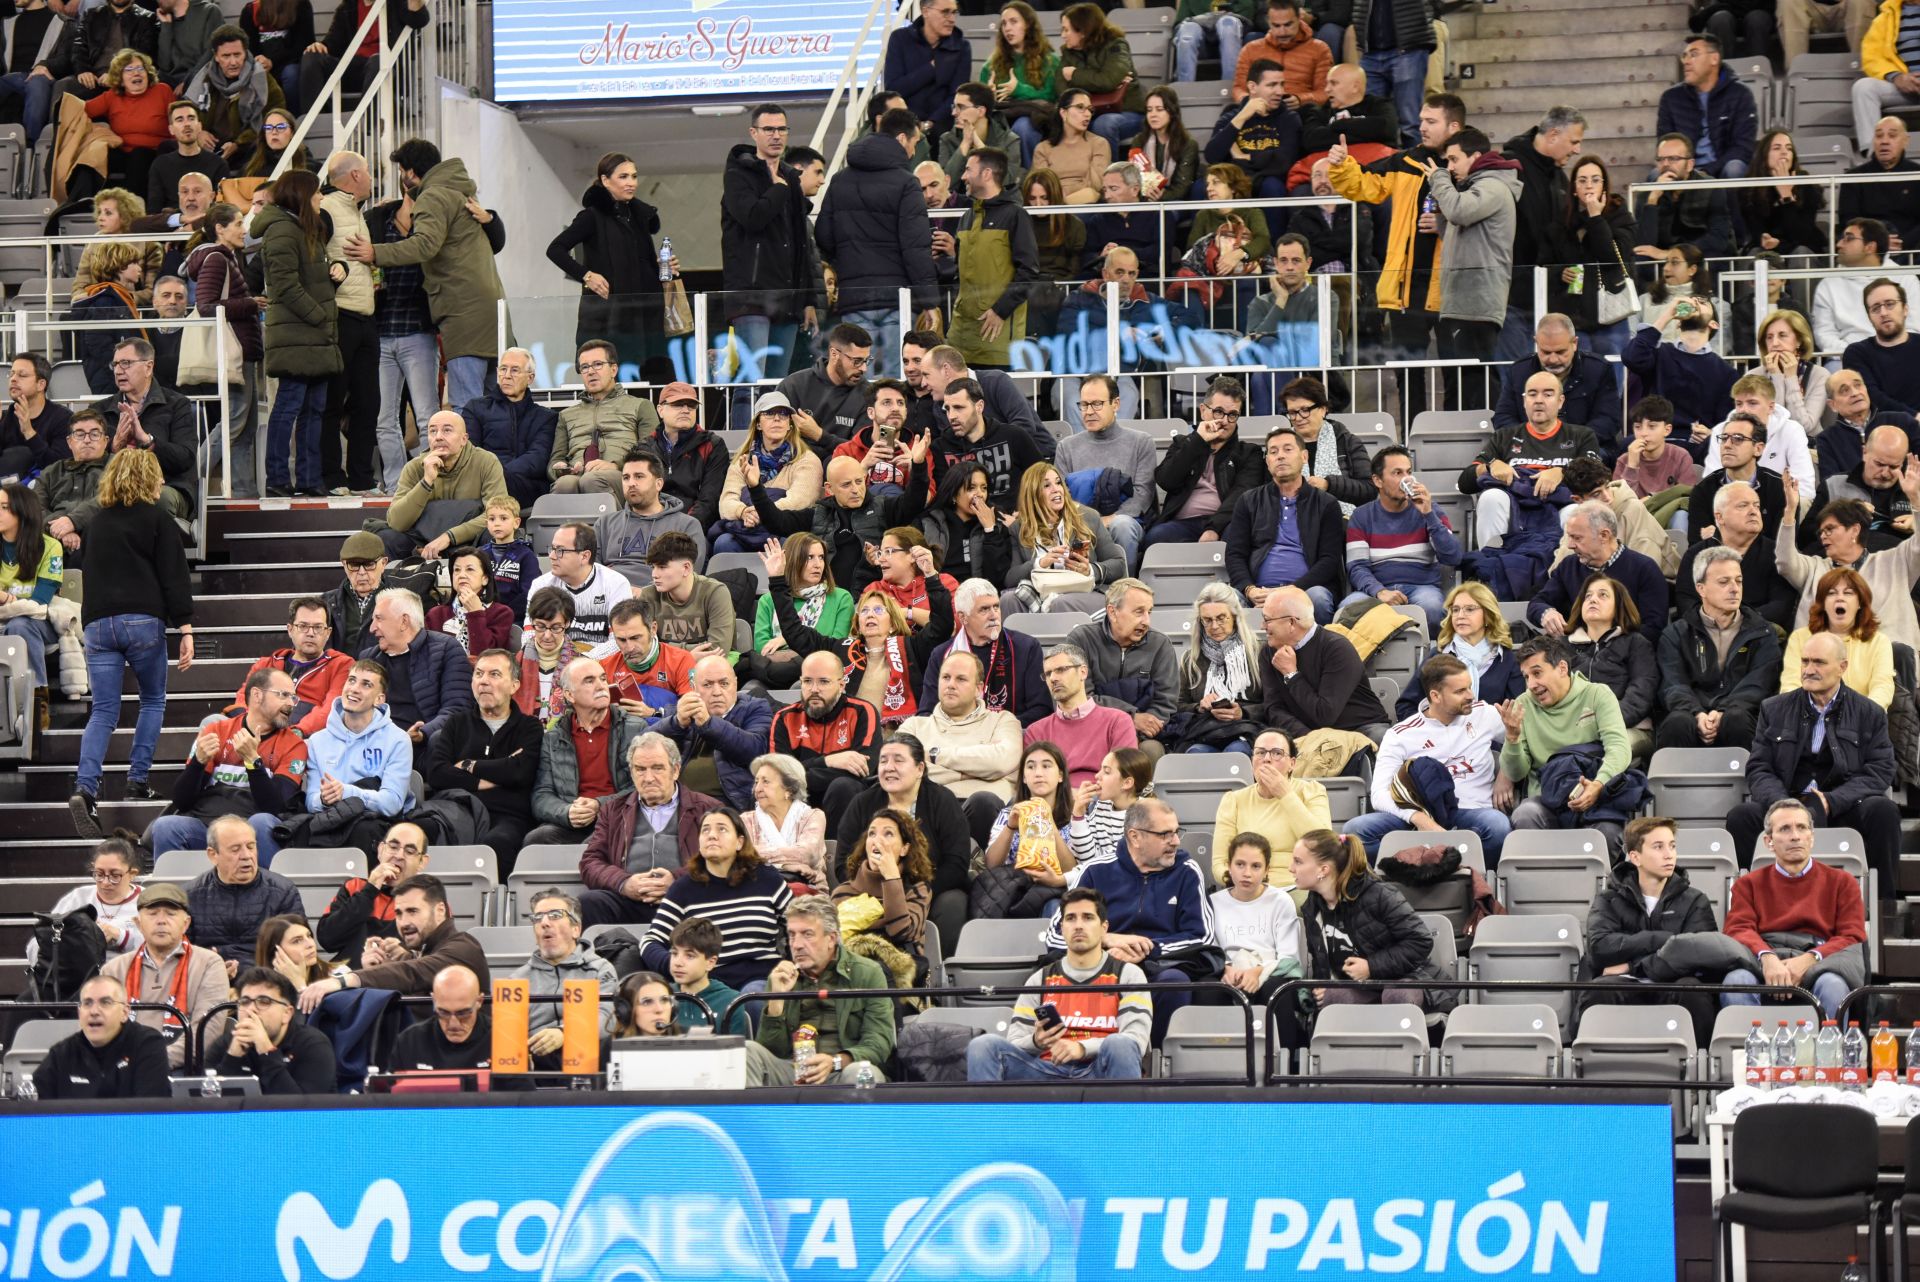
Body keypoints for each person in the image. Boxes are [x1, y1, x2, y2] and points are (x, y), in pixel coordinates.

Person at [68, 449, 192, 838]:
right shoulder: (158, 518)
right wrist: (185, 627)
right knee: (152, 700)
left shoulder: (97, 523)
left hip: (98, 624)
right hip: (143, 620)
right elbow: (174, 575)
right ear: (148, 479)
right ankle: (137, 779)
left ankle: (85, 789)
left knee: (103, 710)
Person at [341, 139, 511, 409]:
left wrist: (376, 253)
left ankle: (469, 455)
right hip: (490, 311)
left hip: (462, 313)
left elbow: (424, 245)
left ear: (410, 172)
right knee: (496, 406)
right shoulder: (460, 192)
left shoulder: (433, 196)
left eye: (401, 172)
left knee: (466, 408)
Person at [1327, 91, 1463, 420]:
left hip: (1454, 288)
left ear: (1454, 127)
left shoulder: (1469, 163)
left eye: (1431, 121)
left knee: (1458, 371)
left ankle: (1461, 433)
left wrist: (1446, 221)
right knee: (1407, 373)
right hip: (1405, 289)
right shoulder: (1404, 161)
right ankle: (1413, 439)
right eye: (1421, 121)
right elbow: (1364, 185)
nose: (1423, 127)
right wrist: (1342, 165)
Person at [1734, 632, 1901, 883]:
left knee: (1883, 811)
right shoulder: (1773, 709)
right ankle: (1751, 899)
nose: (1808, 670)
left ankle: (1882, 907)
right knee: (1742, 816)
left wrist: (1833, 801)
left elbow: (1880, 769)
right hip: (1788, 800)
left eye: (1819, 662)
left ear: (1842, 667)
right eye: (1805, 661)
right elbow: (1759, 767)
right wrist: (1783, 806)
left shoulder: (1870, 713)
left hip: (1842, 806)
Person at [1047, 797, 1217, 1042]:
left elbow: (1202, 936)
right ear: (1135, 837)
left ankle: (1153, 1061)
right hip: (1101, 964)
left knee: (1175, 982)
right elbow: (1055, 934)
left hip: (1158, 966)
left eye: (1176, 831)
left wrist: (1146, 947)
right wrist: (1105, 941)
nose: (1176, 841)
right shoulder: (1095, 871)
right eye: (1165, 834)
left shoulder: (1187, 871)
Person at [761, 535, 952, 730]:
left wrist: (930, 575)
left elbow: (942, 625)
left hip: (899, 738)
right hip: (850, 738)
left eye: (878, 610)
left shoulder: (913, 648)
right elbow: (795, 632)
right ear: (858, 623)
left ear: (894, 624)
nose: (870, 615)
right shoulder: (839, 649)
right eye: (865, 611)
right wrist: (777, 580)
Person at [1280, 829, 1448, 1049]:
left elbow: (1420, 941)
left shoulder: (1378, 894)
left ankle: (1401, 1066)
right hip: (1361, 987)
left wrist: (1372, 967)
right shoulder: (1312, 906)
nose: (1291, 868)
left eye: (1298, 861)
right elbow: (1322, 959)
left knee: (1396, 995)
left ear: (1323, 869)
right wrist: (1323, 987)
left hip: (1406, 979)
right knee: (1332, 998)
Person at [968, 885, 1152, 1080]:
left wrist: (1082, 1048)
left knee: (1120, 1045)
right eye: (1071, 918)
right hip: (1046, 1071)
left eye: (1088, 918)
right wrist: (1036, 1041)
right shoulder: (1040, 979)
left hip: (1099, 1072)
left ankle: (1121, 1111)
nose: (1079, 925)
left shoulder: (1128, 975)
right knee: (983, 1046)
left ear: (1104, 928)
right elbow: (1014, 1043)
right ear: (1062, 927)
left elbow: (1135, 1041)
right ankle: (987, 1112)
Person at [815, 107, 940, 379]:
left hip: (854, 296)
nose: (913, 151)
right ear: (902, 139)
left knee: (861, 377)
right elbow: (915, 247)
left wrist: (848, 260)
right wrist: (930, 300)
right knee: (895, 380)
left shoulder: (839, 180)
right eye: (915, 143)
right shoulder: (906, 183)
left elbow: (824, 235)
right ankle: (891, 424)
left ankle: (867, 422)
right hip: (897, 297)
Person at [1578, 815, 1727, 1043]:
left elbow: (1698, 956)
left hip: (1672, 982)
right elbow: (1600, 948)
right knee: (1600, 989)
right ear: (1635, 857)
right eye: (1658, 847)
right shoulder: (1608, 899)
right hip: (1624, 984)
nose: (1669, 854)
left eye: (1672, 846)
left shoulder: (1695, 900)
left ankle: (1699, 1068)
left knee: (1693, 990)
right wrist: (1662, 939)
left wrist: (1632, 966)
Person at [1346, 655, 1512, 859]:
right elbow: (1379, 794)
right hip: (1417, 815)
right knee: (1356, 830)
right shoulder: (1401, 734)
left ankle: (1448, 869)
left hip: (1471, 812)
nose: (1471, 695)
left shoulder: (1485, 715)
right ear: (1435, 696)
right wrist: (1419, 819)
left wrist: (1506, 775)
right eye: (1460, 691)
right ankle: (1422, 868)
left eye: (1469, 687)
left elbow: (1520, 740)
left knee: (1498, 825)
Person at [1720, 798, 1868, 1018]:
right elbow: (1738, 929)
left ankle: (1829, 1052)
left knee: (1833, 985)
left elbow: (1851, 935)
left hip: (1821, 961)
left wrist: (1809, 960)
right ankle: (1749, 1050)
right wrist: (1768, 959)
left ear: (1812, 837)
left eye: (1802, 827)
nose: (1795, 836)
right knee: (1736, 981)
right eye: (1785, 829)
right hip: (1764, 958)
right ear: (1769, 841)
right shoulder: (1748, 884)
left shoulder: (1842, 882)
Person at [145, 668, 304, 863]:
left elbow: (275, 808)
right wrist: (198, 763)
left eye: (293, 698)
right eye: (284, 695)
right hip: (208, 826)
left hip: (254, 829)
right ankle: (172, 895)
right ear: (257, 695)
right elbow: (182, 801)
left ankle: (264, 891)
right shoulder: (216, 731)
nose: (290, 704)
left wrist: (253, 763)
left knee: (262, 822)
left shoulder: (294, 745)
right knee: (166, 827)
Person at [1497, 636, 1635, 853]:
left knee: (1608, 834)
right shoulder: (1523, 704)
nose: (1531, 684)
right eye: (1526, 677)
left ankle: (1603, 887)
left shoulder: (1597, 694)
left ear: (1562, 668)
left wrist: (1598, 784)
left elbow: (1619, 748)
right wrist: (1512, 739)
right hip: (1546, 800)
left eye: (1537, 673)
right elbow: (1516, 773)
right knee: (1525, 814)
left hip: (1595, 796)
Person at [829, 732, 971, 941]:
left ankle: (939, 967)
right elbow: (843, 862)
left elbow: (957, 863)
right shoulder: (863, 802)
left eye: (898, 760)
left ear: (920, 769)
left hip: (928, 890)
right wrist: (879, 889)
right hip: (870, 892)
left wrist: (912, 893)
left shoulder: (941, 800)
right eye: (883, 760)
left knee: (954, 902)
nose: (889, 767)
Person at [575, 733, 723, 928]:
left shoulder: (708, 808)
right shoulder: (613, 810)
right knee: (589, 903)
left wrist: (678, 880)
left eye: (657, 768)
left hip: (687, 901)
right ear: (632, 772)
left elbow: (723, 859)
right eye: (640, 769)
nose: (648, 778)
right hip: (630, 902)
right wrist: (624, 883)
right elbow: (591, 862)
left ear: (676, 770)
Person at [743, 897, 895, 1086]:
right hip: (793, 1070)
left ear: (831, 938)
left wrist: (835, 1062)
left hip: (843, 1069)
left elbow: (879, 1042)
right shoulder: (782, 978)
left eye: (807, 934)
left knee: (863, 1073)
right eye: (791, 935)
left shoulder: (866, 972)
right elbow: (771, 1050)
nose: (796, 944)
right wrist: (776, 999)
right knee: (748, 1051)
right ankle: (758, 1117)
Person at [721, 106, 816, 409]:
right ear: (754, 133)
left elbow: (802, 244)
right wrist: (777, 190)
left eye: (782, 129)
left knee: (777, 387)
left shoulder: (790, 176)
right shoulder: (739, 174)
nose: (776, 136)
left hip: (788, 297)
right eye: (769, 129)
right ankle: (742, 447)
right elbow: (752, 218)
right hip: (751, 295)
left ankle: (772, 448)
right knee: (750, 382)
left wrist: (808, 298)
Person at [254, 168, 339, 499]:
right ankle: (277, 479)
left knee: (313, 410)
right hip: (298, 334)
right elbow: (286, 285)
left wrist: (339, 270)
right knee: (288, 408)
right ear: (303, 195)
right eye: (317, 192)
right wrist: (320, 316)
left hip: (313, 336)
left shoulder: (305, 229)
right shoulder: (282, 232)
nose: (321, 198)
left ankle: (309, 479)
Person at [544, 152, 666, 378]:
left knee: (651, 383)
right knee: (611, 381)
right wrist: (586, 274)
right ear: (605, 180)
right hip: (607, 319)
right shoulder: (592, 217)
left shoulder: (639, 217)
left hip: (644, 318)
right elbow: (555, 249)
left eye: (634, 176)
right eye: (623, 176)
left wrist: (661, 268)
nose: (631, 182)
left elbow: (637, 263)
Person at [297, 874, 490, 1012]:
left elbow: (413, 973)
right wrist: (380, 969)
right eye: (398, 913)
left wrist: (343, 981)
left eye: (413, 911)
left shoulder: (464, 947)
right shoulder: (425, 952)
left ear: (440, 911)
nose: (404, 922)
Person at [1656, 546, 1784, 751]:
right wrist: (1697, 714)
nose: (1734, 588)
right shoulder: (1676, 634)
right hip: (1691, 716)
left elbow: (1759, 684)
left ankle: (1752, 783)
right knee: (1678, 722)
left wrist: (1723, 712)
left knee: (1737, 720)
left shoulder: (1763, 632)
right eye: (1724, 582)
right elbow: (1673, 684)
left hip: (1740, 715)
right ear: (1701, 589)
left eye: (1738, 581)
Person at [423, 650, 542, 870]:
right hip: (458, 808)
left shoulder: (530, 727)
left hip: (507, 815)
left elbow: (520, 772)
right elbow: (437, 773)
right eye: (478, 674)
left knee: (496, 844)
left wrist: (469, 765)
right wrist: (483, 780)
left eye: (494, 674)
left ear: (514, 685)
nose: (484, 682)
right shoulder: (456, 723)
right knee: (422, 830)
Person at [1779, 463, 1920, 646]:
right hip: (1826, 661)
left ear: (1854, 531)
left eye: (1830, 529)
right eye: (1821, 531)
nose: (1823, 536)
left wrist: (1916, 502)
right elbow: (1785, 561)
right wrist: (1790, 512)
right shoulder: (1815, 567)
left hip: (1890, 661)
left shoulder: (1894, 561)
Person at [95, 879, 228, 1067]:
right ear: (138, 923)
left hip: (185, 1071)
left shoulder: (209, 964)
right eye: (153, 914)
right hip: (123, 1072)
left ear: (186, 923)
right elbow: (102, 1026)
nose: (161, 920)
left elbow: (208, 1031)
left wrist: (151, 1063)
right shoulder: (113, 969)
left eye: (171, 914)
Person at [897, 648, 1023, 844]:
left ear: (979, 688)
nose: (950, 685)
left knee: (983, 800)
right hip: (928, 814)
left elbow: (1000, 761)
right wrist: (976, 771)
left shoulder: (1003, 721)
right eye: (945, 677)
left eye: (961, 679)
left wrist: (933, 756)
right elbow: (899, 771)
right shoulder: (914, 726)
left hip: (983, 816)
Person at [1257, 586, 1390, 769]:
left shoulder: (1336, 648)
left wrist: (1291, 674)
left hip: (1359, 727)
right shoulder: (1268, 652)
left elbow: (1325, 714)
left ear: (1291, 623)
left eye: (1267, 620)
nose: (1262, 626)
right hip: (1305, 732)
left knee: (1385, 741)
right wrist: (1310, 738)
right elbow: (1273, 708)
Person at [1226, 427, 1346, 621]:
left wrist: (1292, 590)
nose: (1280, 456)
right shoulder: (1249, 501)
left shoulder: (1326, 503)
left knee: (1319, 598)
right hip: (1258, 592)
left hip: (1305, 591)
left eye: (1287, 449)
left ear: (1304, 456)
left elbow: (1329, 560)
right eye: (1273, 452)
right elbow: (1235, 554)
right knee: (1220, 600)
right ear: (1267, 462)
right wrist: (1249, 590)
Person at [1340, 445, 1461, 630]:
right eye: (1397, 473)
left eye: (1408, 472)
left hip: (1422, 586)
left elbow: (1453, 556)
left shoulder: (1431, 509)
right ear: (1378, 480)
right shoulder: (1361, 516)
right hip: (1376, 589)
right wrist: (1379, 591)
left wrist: (1428, 515)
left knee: (1433, 607)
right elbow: (1357, 567)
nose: (1406, 479)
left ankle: (1431, 658)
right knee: (1346, 611)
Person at [524, 656, 643, 846]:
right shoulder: (553, 737)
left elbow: (642, 788)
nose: (601, 686)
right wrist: (567, 812)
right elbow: (541, 795)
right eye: (589, 681)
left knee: (592, 845)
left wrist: (599, 805)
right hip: (573, 821)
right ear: (569, 695)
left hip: (617, 817)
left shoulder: (635, 728)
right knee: (536, 840)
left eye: (603, 679)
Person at [299, 659, 414, 847]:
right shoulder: (317, 741)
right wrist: (323, 798)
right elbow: (311, 801)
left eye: (366, 685)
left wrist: (346, 792)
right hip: (330, 818)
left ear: (379, 699)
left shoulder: (398, 739)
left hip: (373, 823)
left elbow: (392, 803)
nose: (354, 689)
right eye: (351, 680)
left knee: (365, 830)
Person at [944, 147, 1037, 371]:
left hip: (997, 336)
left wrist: (1000, 311)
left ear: (986, 174)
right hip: (961, 336)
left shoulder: (1016, 215)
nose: (963, 176)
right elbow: (960, 273)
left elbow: (1028, 272)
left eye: (968, 170)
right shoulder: (966, 217)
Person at [1529, 500, 1670, 645]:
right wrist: (1546, 613)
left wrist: (1608, 646)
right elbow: (1537, 603)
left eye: (1577, 538)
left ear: (1604, 535)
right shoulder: (1568, 566)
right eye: (1569, 537)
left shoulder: (1644, 568)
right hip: (1578, 656)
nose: (1570, 545)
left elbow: (1654, 628)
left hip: (1626, 659)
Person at [1065, 578, 1180, 753]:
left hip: (1141, 737)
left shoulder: (1161, 645)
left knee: (1151, 751)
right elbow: (1079, 698)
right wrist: (1129, 718)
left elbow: (1165, 703)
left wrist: (1133, 732)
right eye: (1139, 612)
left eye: (1149, 612)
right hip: (1089, 731)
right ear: (1112, 612)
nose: (1146, 621)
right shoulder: (1081, 640)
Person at [1149, 376, 1264, 549]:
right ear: (1203, 411)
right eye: (1218, 411)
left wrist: (1213, 529)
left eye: (1232, 414)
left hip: (1226, 523)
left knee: (1238, 537)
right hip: (1182, 524)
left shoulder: (1249, 453)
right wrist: (1197, 441)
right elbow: (1166, 480)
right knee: (1155, 538)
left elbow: (1241, 496)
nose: (1224, 421)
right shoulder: (1183, 444)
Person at [1208, 728, 1330, 891]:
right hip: (1247, 889)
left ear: (1292, 763)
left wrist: (1285, 794)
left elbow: (1323, 847)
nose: (1266, 759)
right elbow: (1219, 863)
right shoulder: (1234, 800)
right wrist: (1243, 882)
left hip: (1297, 886)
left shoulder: (1311, 791)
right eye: (1260, 753)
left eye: (1277, 753)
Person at [93, 336, 197, 518]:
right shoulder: (100, 410)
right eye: (115, 364)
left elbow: (184, 458)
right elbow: (88, 463)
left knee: (152, 499)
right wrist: (114, 447)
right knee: (97, 501)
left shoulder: (176, 404)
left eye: (125, 363)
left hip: (167, 485)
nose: (118, 371)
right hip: (114, 485)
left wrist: (147, 440)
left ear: (148, 367)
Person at [511, 888, 617, 1068]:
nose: (544, 923)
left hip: (587, 1061)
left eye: (554, 915)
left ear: (576, 929)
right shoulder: (518, 979)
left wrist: (566, 1033)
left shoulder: (600, 970)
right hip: (535, 1065)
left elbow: (608, 1019)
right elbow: (509, 1030)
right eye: (538, 917)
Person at [183, 812, 302, 970]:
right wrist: (211, 970)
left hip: (267, 981)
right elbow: (181, 956)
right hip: (209, 982)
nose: (246, 856)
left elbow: (297, 950)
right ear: (213, 855)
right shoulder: (190, 895)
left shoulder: (283, 891)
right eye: (235, 849)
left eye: (251, 847)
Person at [974, 741, 1078, 919]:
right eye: (1030, 767)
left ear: (1060, 775)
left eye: (1046, 766)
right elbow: (992, 865)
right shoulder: (1009, 813)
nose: (1038, 773)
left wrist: (1049, 824)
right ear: (1023, 777)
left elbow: (1071, 870)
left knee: (1054, 906)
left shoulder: (1075, 817)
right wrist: (1010, 827)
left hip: (1055, 889)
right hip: (1013, 889)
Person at [1677, 479, 1797, 632]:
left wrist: (1739, 622)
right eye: (1743, 505)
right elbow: (1686, 603)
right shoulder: (1696, 554)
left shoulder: (1777, 552)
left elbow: (1781, 605)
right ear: (1719, 517)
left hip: (1759, 635)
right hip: (1707, 633)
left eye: (1757, 506)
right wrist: (1716, 622)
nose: (1753, 511)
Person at [1492, 315, 1625, 452]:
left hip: (1584, 448)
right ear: (1536, 343)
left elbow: (1608, 419)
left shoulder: (1598, 369)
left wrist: (1570, 443)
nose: (1553, 359)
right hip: (1530, 449)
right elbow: (1503, 418)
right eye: (1546, 352)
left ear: (1575, 343)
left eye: (1561, 352)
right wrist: (1532, 441)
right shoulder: (1519, 371)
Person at [360, 587, 473, 747]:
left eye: (379, 619)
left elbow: (456, 709)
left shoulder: (446, 649)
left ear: (404, 622)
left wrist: (423, 733)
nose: (372, 628)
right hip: (376, 745)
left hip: (425, 745)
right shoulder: (368, 658)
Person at [1551, 157, 1641, 357]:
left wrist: (1596, 218)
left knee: (1612, 378)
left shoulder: (1620, 217)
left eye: (1595, 180)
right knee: (1579, 378)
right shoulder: (1562, 220)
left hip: (1611, 314)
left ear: (1604, 185)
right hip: (1573, 315)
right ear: (1574, 188)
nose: (1589, 185)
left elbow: (1611, 255)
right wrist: (1559, 273)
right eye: (1582, 180)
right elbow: (1545, 260)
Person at [713, 393, 823, 555]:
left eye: (783, 414)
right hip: (747, 529)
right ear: (758, 423)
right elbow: (727, 501)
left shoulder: (807, 460)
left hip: (784, 530)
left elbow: (800, 501)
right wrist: (743, 512)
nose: (777, 419)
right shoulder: (741, 461)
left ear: (790, 424)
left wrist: (762, 512)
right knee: (723, 543)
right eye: (769, 413)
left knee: (792, 543)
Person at [1397, 582, 1527, 718]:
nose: (1460, 615)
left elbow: (1515, 715)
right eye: (1455, 609)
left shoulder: (1507, 659)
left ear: (1488, 615)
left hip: (1491, 738)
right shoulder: (1437, 656)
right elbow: (1406, 707)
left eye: (1469, 609)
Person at [30, 975, 170, 1100]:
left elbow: (150, 1114)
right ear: (79, 1013)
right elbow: (35, 1112)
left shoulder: (148, 1045)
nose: (94, 1011)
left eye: (105, 1002)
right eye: (87, 1003)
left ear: (125, 1012)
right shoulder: (61, 1054)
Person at [205, 966, 336, 1093]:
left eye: (264, 1001)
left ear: (287, 1013)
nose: (251, 1009)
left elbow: (300, 1111)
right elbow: (207, 1106)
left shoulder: (313, 1045)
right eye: (245, 1001)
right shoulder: (226, 1044)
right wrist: (232, 1057)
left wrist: (267, 1051)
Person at [314, 821, 430, 959]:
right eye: (393, 847)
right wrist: (370, 890)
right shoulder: (354, 887)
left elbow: (440, 955)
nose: (399, 856)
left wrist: (407, 955)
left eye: (409, 851)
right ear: (381, 850)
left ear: (422, 862)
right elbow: (327, 940)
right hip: (351, 976)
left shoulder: (430, 900)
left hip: (399, 976)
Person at [1781, 568, 1895, 708]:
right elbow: (1790, 685)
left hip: (1860, 720)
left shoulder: (1878, 642)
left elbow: (1882, 687)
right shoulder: (1800, 638)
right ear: (1823, 603)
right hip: (1809, 718)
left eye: (1848, 593)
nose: (1839, 598)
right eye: (1831, 593)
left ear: (1859, 603)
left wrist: (1864, 715)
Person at [27, 838, 147, 969]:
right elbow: (36, 944)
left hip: (129, 977)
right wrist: (74, 941)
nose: (105, 882)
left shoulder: (148, 900)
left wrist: (121, 937)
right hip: (78, 978)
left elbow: (163, 950)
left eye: (115, 875)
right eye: (99, 874)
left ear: (132, 874)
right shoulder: (78, 898)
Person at [461, 349, 555, 514]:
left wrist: (498, 475)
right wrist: (492, 476)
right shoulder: (475, 408)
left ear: (530, 377)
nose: (507, 375)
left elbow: (538, 458)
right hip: (482, 481)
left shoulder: (546, 417)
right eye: (503, 369)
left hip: (525, 486)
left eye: (515, 370)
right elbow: (470, 452)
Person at [931, 377, 1044, 514]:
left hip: (1014, 522)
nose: (951, 416)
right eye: (947, 409)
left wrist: (1023, 516)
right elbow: (945, 499)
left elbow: (1041, 478)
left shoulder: (1014, 436)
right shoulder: (941, 447)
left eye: (958, 408)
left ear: (979, 406)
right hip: (967, 526)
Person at [1655, 34, 1758, 178]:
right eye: (1684, 56)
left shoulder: (1740, 94)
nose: (1686, 62)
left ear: (1714, 59)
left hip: (1723, 168)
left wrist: (1707, 171)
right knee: (1655, 175)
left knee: (1735, 168)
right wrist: (1687, 170)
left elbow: (1743, 148)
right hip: (1685, 170)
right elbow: (1665, 144)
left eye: (1694, 54)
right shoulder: (1671, 98)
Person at [1815, 220, 1920, 357]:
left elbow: (1915, 326)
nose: (1839, 244)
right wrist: (1855, 353)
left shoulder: (1905, 278)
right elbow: (1824, 334)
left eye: (1849, 239)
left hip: (1899, 354)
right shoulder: (1828, 284)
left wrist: (1889, 351)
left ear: (1870, 247)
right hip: (1844, 358)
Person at [526, 524, 633, 650]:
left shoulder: (616, 584)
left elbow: (619, 641)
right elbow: (529, 635)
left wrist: (580, 661)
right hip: (554, 659)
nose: (552, 556)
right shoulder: (541, 584)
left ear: (584, 556)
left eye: (560, 550)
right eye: (552, 549)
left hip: (600, 664)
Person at [1206, 58, 1303, 198]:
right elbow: (1212, 156)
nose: (1280, 91)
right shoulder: (1231, 116)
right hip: (1235, 182)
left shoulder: (1289, 118)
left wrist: (1243, 157)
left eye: (1282, 84)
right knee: (1201, 187)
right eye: (1272, 85)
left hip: (1269, 181)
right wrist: (1242, 117)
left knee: (1272, 186)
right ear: (1252, 87)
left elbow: (1285, 161)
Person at [1632, 136, 1736, 262]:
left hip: (1699, 256)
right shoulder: (1648, 193)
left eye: (1673, 159)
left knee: (1713, 256)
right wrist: (1652, 201)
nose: (1665, 164)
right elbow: (1642, 245)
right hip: (1664, 259)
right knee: (1642, 258)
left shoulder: (1711, 188)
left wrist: (1672, 254)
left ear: (1690, 165)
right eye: (1660, 159)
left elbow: (1718, 237)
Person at [1685, 412, 1787, 539]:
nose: (1727, 445)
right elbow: (1695, 548)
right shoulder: (1703, 490)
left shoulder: (1780, 488)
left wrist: (1722, 536)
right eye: (1723, 438)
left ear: (1758, 449)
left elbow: (1782, 550)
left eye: (1738, 438)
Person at [776, 323, 874, 449]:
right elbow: (772, 438)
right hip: (796, 462)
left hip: (842, 464)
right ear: (834, 354)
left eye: (867, 360)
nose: (864, 368)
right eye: (857, 361)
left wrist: (819, 435)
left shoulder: (867, 395)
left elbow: (860, 451)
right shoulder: (793, 386)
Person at [1816, 370, 1920, 487]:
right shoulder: (1827, 439)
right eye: (1845, 390)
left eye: (1858, 385)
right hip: (1855, 502)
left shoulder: (1902, 421)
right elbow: (1831, 486)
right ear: (1832, 405)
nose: (1855, 393)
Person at [33, 409, 110, 568]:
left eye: (94, 434)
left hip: (102, 538)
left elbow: (112, 497)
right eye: (80, 434)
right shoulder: (51, 471)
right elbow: (34, 509)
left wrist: (73, 521)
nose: (87, 440)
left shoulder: (117, 466)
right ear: (69, 442)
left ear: (105, 440)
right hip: (53, 539)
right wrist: (60, 529)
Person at [634, 535, 729, 656]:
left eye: (662, 567)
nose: (654, 574)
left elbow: (718, 648)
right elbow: (644, 646)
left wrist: (665, 648)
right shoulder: (648, 595)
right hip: (667, 669)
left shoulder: (715, 592)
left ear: (686, 568)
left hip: (708, 669)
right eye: (653, 567)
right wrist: (688, 656)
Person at [745, 752, 828, 891]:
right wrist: (784, 866)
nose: (757, 788)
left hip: (809, 894)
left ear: (789, 789)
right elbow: (739, 856)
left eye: (765, 781)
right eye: (756, 781)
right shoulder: (745, 820)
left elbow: (805, 854)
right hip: (758, 891)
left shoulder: (812, 817)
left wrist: (758, 857)